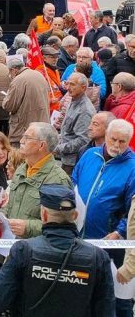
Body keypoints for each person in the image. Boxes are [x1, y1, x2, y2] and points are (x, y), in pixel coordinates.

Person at [0, 184, 115, 316]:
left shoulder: (22, 250)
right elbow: (106, 310)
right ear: (75, 215)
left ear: (43, 215)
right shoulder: (98, 258)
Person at [73, 119, 135, 317]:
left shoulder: (132, 167)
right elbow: (73, 182)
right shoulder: (90, 155)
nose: (116, 145)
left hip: (111, 242)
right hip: (81, 236)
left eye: (122, 142)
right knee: (84, 293)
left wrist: (119, 231)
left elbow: (132, 211)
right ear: (105, 136)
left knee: (118, 298)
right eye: (113, 139)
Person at [0, 122, 71, 239]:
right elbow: (13, 202)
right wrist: (2, 214)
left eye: (27, 138)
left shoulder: (58, 180)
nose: (21, 141)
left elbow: (62, 226)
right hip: (14, 246)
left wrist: (28, 227)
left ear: (41, 145)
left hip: (37, 252)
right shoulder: (22, 169)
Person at [2, 58, 50, 147]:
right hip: (42, 126)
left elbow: (9, 106)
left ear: (13, 70)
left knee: (21, 157)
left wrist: (6, 98)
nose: (9, 75)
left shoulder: (18, 80)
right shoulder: (38, 74)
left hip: (24, 129)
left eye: (9, 72)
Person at [55, 73, 95, 175]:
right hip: (66, 159)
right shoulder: (73, 101)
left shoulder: (84, 110)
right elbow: (68, 132)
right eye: (67, 84)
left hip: (73, 163)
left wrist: (58, 148)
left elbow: (83, 141)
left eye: (72, 84)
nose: (68, 88)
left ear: (83, 88)